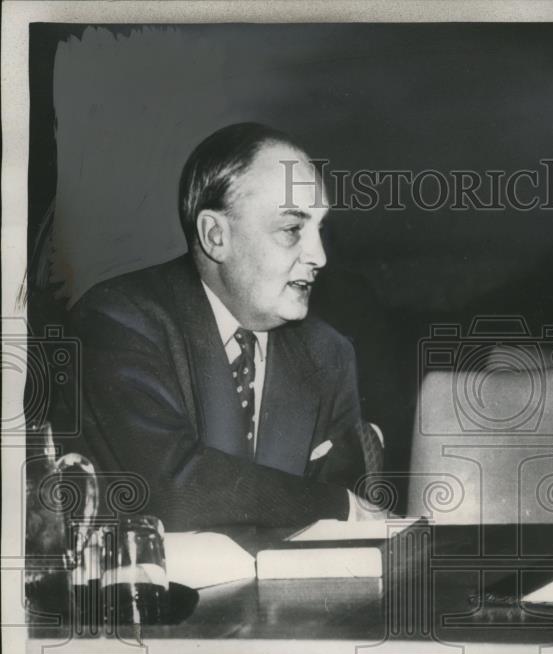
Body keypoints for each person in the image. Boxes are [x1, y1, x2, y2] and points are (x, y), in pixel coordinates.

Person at [72, 123, 382, 530]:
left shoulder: (329, 353)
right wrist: (336, 506)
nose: (319, 256)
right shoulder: (118, 320)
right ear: (216, 235)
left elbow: (342, 548)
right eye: (292, 229)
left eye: (319, 228)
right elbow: (175, 489)